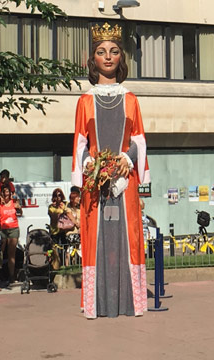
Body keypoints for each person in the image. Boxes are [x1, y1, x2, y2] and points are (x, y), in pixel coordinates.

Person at [71, 22, 150, 319]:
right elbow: (80, 142)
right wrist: (89, 163)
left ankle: (130, 302)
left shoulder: (131, 100)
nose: (107, 57)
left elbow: (139, 139)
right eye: (101, 52)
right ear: (93, 59)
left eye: (114, 51)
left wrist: (126, 160)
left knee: (127, 238)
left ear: (121, 58)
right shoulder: (85, 101)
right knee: (96, 239)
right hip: (95, 184)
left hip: (124, 182)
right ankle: (97, 303)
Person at [0, 185, 22, 285]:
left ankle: (11, 275)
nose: (6, 194)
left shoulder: (14, 202)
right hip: (3, 229)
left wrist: (19, 208)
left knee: (11, 252)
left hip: (13, 228)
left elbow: (20, 213)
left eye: (8, 192)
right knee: (0, 252)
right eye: (4, 192)